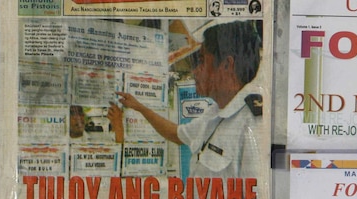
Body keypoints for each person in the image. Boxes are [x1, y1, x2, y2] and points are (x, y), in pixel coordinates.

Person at [112, 20, 263, 179]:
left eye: (202, 60)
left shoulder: (253, 125)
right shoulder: (213, 116)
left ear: (227, 65)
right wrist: (139, 107)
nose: (195, 71)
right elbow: (175, 133)